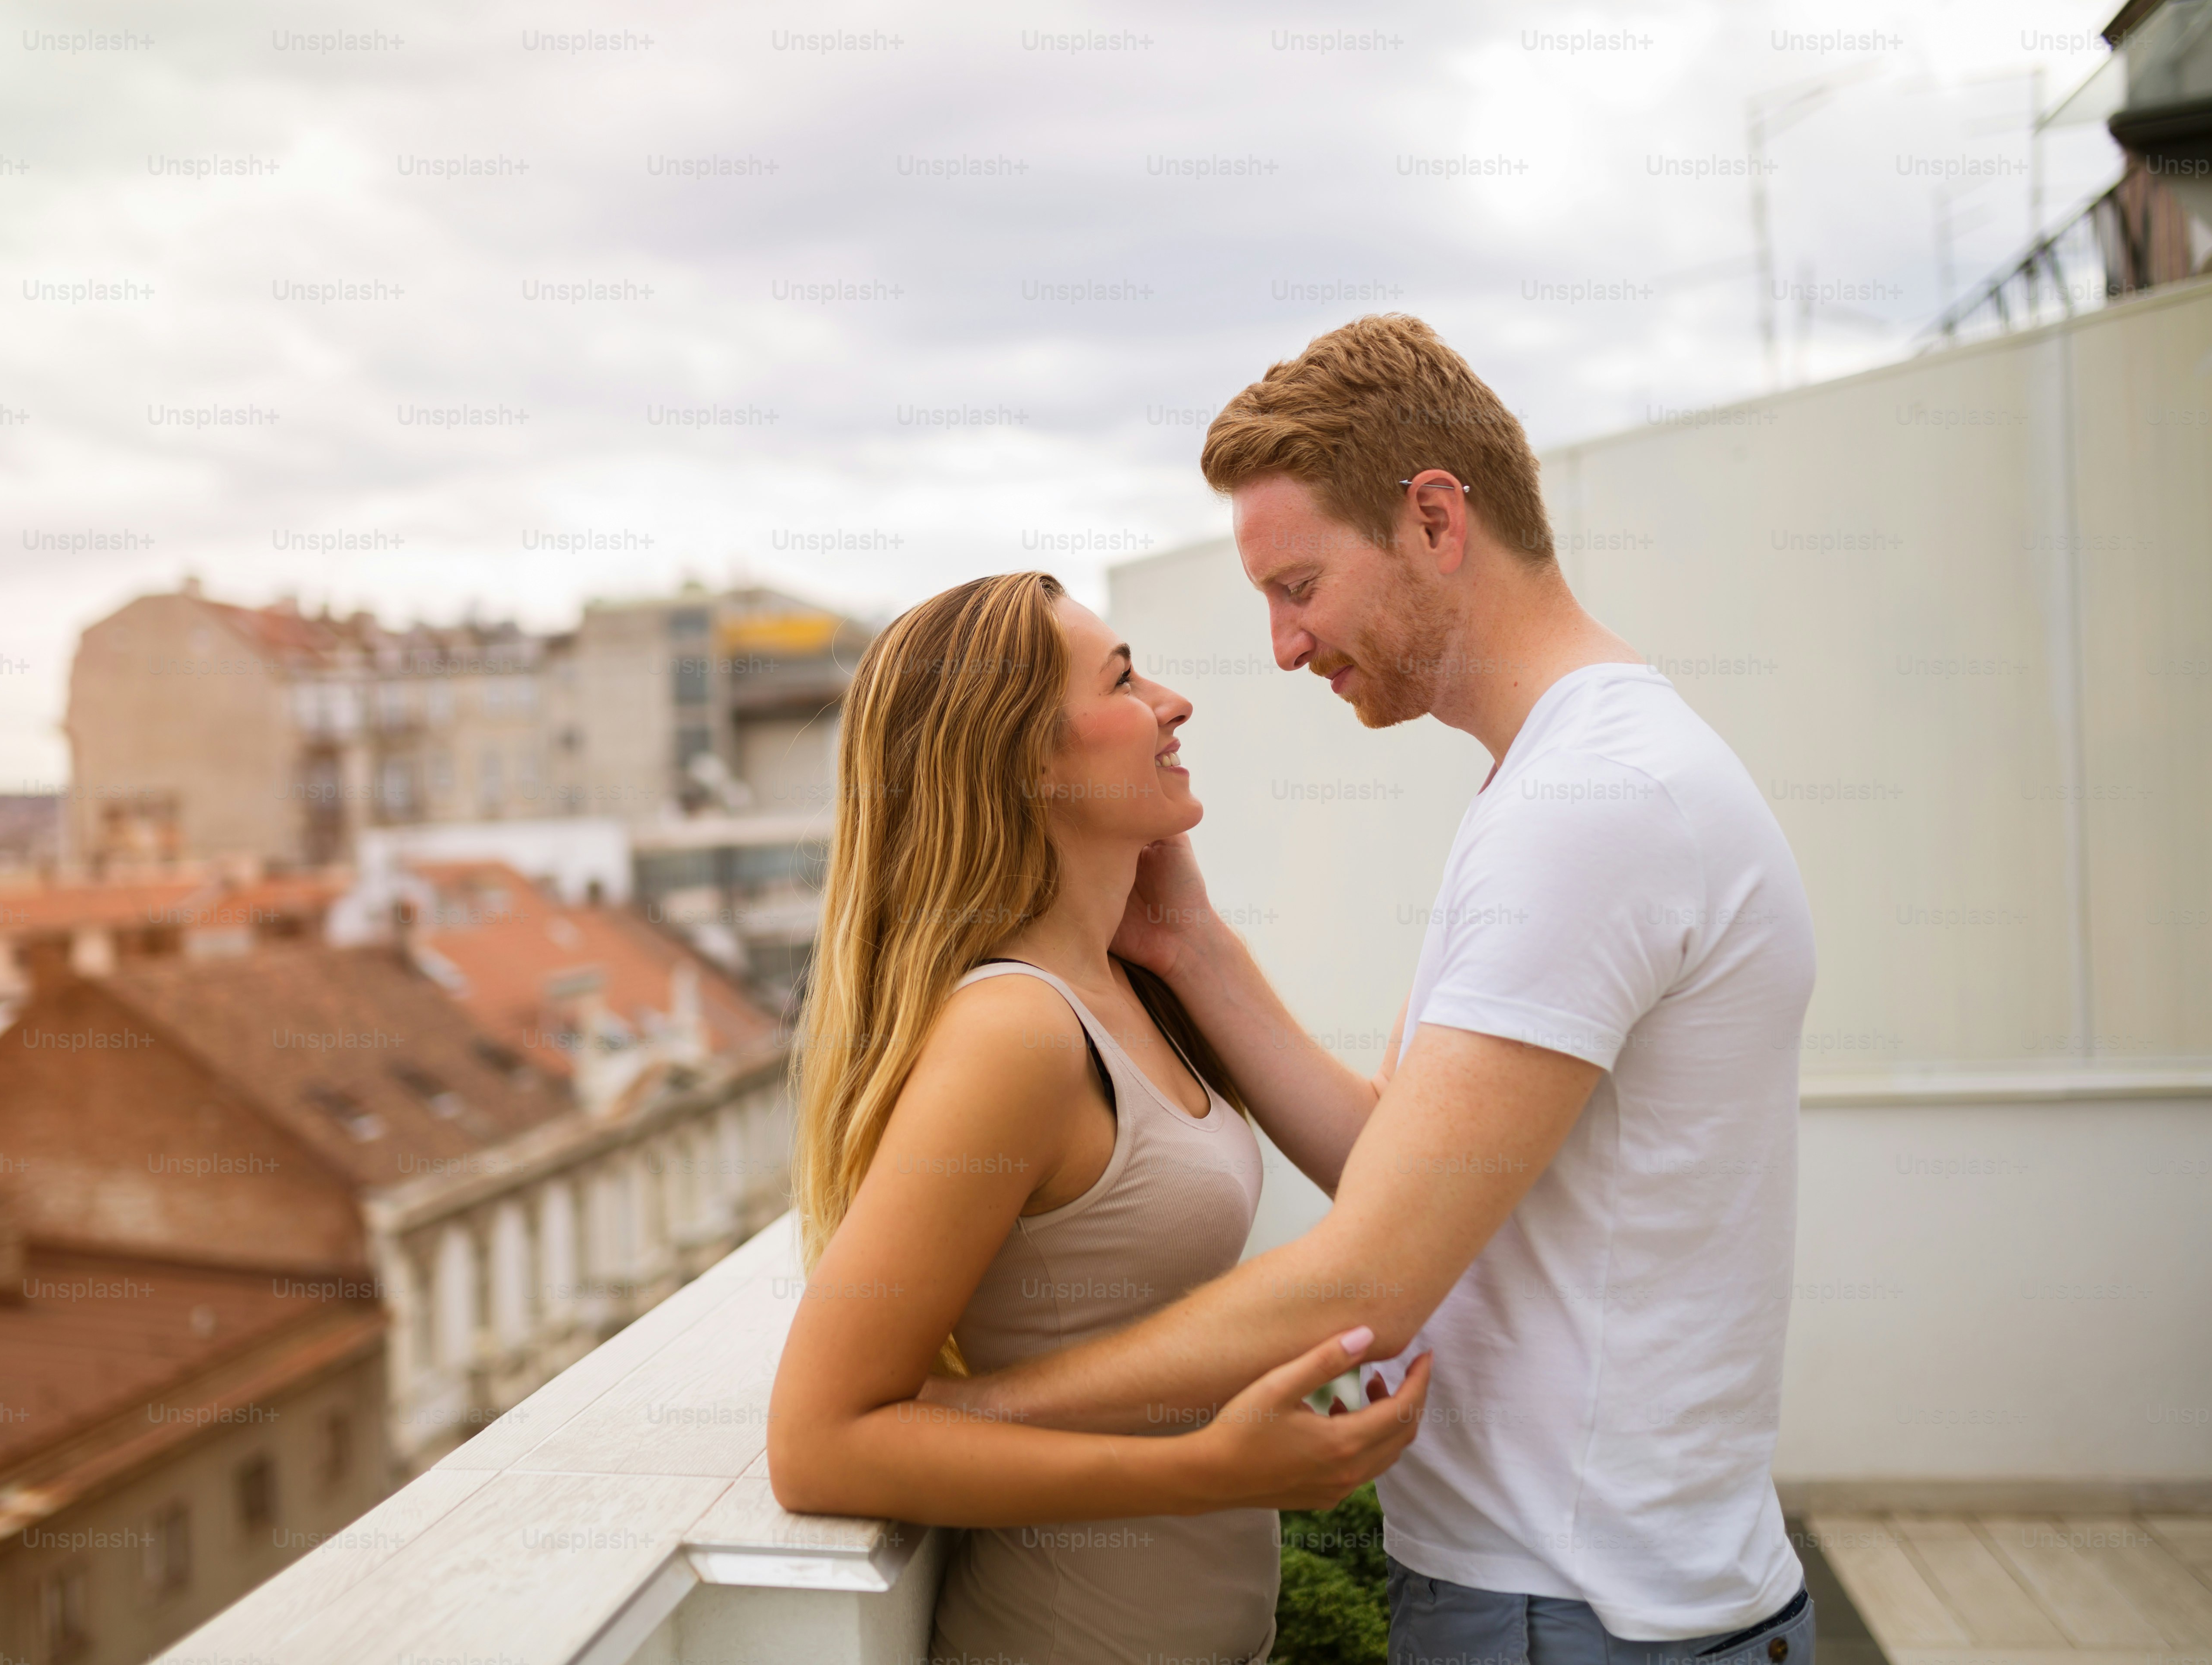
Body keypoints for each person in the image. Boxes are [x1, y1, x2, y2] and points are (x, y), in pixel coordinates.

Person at [925, 315, 1823, 1665]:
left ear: (1436, 521)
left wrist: (963, 1425)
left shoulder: (1591, 804)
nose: (1285, 647)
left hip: (1581, 1617)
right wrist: (1194, 949)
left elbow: (1370, 1278)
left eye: (1298, 586)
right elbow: (1403, 1168)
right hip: (1576, 1599)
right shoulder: (1561, 779)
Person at [765, 570, 1435, 1665]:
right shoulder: (1016, 1034)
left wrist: (1195, 942)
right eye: (1124, 681)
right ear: (1025, 759)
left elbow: (1390, 1172)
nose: (1174, 702)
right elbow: (818, 1445)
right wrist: (1207, 1471)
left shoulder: (1126, 988)